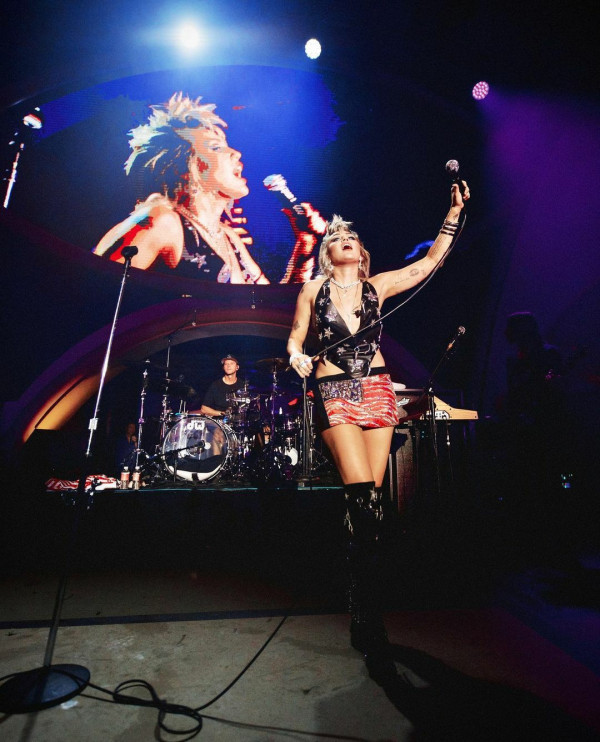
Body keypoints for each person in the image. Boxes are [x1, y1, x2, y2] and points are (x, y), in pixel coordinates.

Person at [287, 181, 470, 683]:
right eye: (337, 238)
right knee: (361, 498)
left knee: (373, 510)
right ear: (327, 253)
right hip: (334, 390)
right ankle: (368, 617)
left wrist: (452, 215)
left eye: (352, 237)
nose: (346, 239)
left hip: (378, 389)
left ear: (361, 253)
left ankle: (364, 609)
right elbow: (296, 337)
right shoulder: (312, 290)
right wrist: (297, 356)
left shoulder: (378, 286)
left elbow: (428, 263)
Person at [93, 93, 325, 283]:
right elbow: (97, 287)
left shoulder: (229, 238)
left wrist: (305, 244)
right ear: (183, 168)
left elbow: (272, 308)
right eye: (215, 147)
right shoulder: (163, 221)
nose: (236, 153)